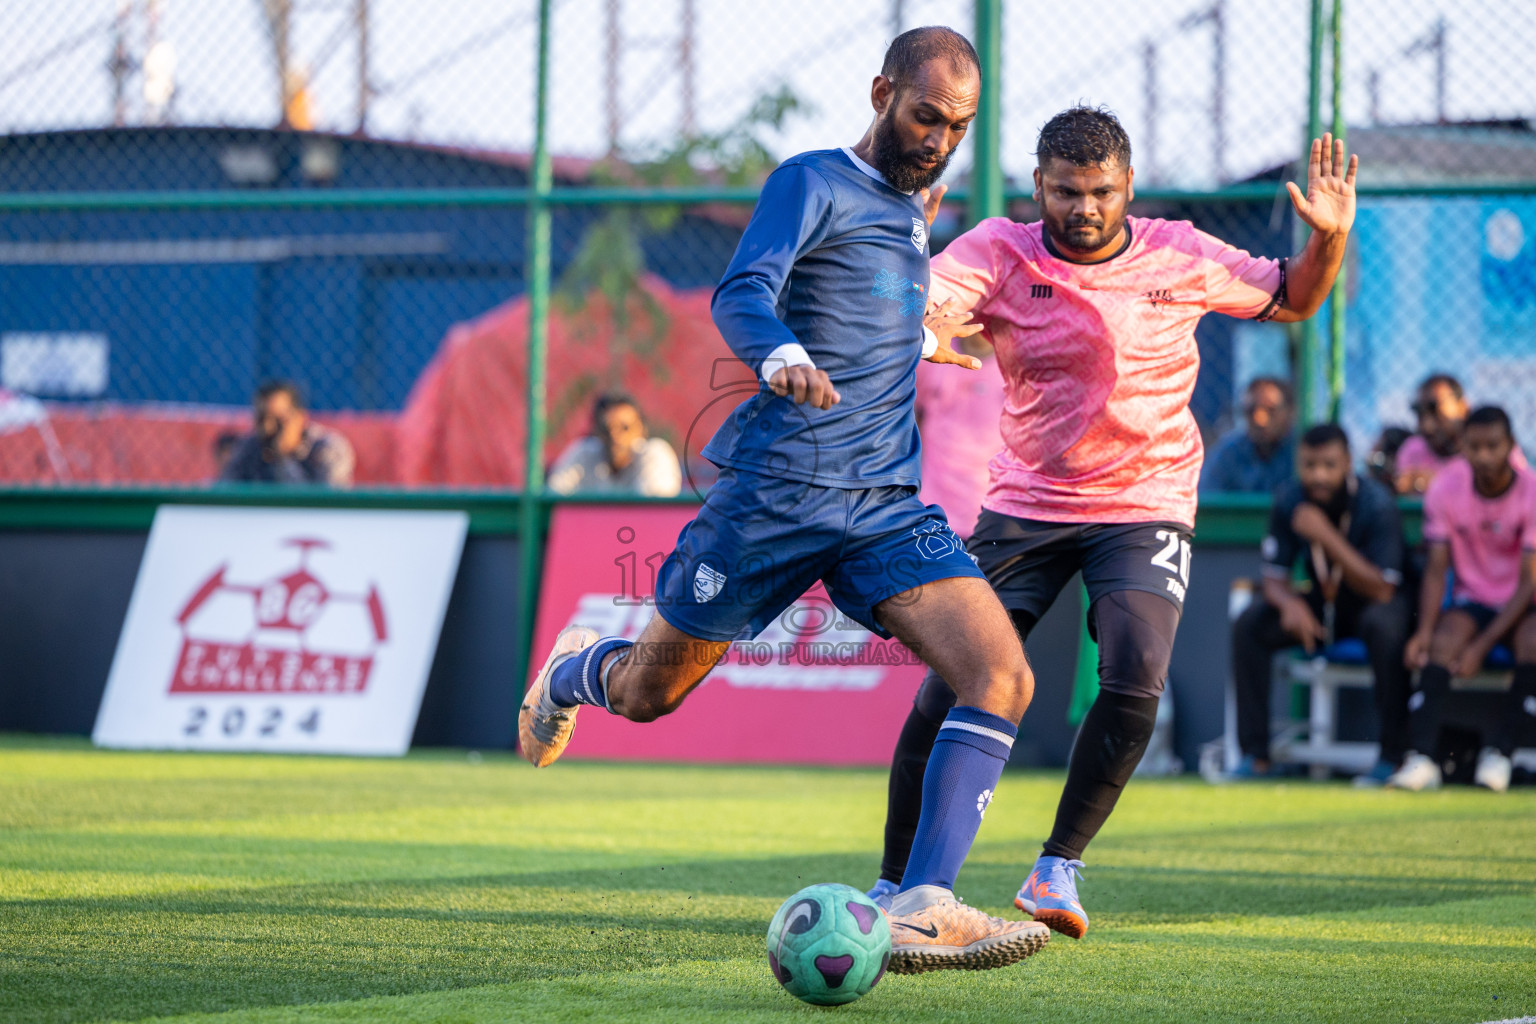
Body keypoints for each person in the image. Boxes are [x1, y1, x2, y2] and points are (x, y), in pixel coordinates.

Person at [518, 27, 1052, 974]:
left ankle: (924, 901)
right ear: (883, 90)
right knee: (650, 695)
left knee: (1001, 676)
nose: (938, 139)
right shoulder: (810, 180)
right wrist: (783, 354)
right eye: (926, 114)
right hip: (773, 497)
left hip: (883, 504)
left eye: (958, 126)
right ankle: (572, 671)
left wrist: (913, 343)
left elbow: (863, 300)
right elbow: (745, 290)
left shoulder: (917, 206)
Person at [867, 106, 1357, 940]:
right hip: (1025, 506)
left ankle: (1057, 867)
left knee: (1136, 671)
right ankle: (892, 890)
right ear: (1038, 188)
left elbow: (1296, 300)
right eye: (1065, 192)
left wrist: (1329, 240)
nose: (1083, 209)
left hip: (1146, 500)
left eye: (1099, 191)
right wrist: (903, 287)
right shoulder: (998, 250)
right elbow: (904, 303)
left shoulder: (1182, 252)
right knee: (950, 683)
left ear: (1128, 186)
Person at [1229, 424, 1411, 785]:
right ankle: (1256, 756)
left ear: (1347, 463)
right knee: (1251, 625)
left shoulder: (1376, 504)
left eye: (1328, 465)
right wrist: (1288, 604)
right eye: (1309, 465)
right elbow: (1274, 578)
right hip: (1321, 604)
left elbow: (1383, 589)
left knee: (1384, 626)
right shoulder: (1289, 498)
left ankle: (1392, 758)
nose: (1318, 475)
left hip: (1370, 604)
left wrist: (1325, 536)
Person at [1390, 406, 1536, 793]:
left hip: (1524, 603)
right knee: (1439, 644)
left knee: (1533, 641)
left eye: (1493, 446)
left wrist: (1481, 647)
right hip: (1474, 600)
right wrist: (1423, 631)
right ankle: (1421, 759)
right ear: (1463, 449)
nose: (1484, 456)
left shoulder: (1532, 491)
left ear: (1511, 447)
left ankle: (1500, 755)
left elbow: (1529, 583)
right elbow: (1437, 569)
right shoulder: (1445, 489)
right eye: (1475, 447)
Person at [913, 333, 1004, 539]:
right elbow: (912, 422)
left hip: (990, 518)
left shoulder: (1013, 365)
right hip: (930, 514)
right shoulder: (933, 353)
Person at [219, 381, 354, 487]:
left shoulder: (327, 448)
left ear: (299, 418)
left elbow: (326, 505)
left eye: (278, 420)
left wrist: (282, 458)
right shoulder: (249, 446)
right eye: (261, 419)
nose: (267, 427)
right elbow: (227, 492)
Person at [546, 392, 682, 497]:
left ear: (641, 430)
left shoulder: (655, 454)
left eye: (625, 428)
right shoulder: (583, 453)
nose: (615, 437)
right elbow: (554, 494)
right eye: (607, 429)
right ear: (596, 431)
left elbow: (655, 512)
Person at [1199, 377, 1297, 495]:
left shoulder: (1300, 451)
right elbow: (1207, 495)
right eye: (1251, 410)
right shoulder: (1229, 452)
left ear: (1290, 412)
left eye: (1271, 410)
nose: (1259, 420)